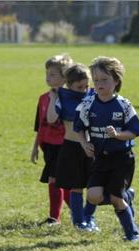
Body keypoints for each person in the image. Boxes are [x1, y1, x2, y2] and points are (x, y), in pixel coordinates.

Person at [74, 56, 139, 242]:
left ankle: (133, 233)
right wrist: (84, 143)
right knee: (93, 196)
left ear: (116, 81)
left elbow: (135, 132)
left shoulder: (124, 105)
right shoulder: (87, 104)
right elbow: (78, 128)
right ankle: (126, 195)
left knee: (115, 199)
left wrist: (118, 135)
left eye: (105, 79)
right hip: (100, 158)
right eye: (96, 80)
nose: (99, 84)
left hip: (122, 158)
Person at [48, 63, 99, 232]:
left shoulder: (93, 96)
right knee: (76, 187)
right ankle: (79, 222)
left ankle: (89, 218)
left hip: (91, 147)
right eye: (79, 87)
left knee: (94, 187)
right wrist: (53, 99)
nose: (84, 90)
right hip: (71, 148)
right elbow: (51, 119)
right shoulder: (62, 97)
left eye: (86, 86)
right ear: (68, 85)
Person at [31, 53, 72, 226]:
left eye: (53, 74)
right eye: (47, 73)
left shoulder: (69, 98)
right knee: (62, 182)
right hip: (48, 146)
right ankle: (80, 214)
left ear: (64, 77)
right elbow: (40, 125)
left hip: (63, 145)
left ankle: (54, 218)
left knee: (55, 180)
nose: (48, 77)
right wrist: (35, 147)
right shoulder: (42, 98)